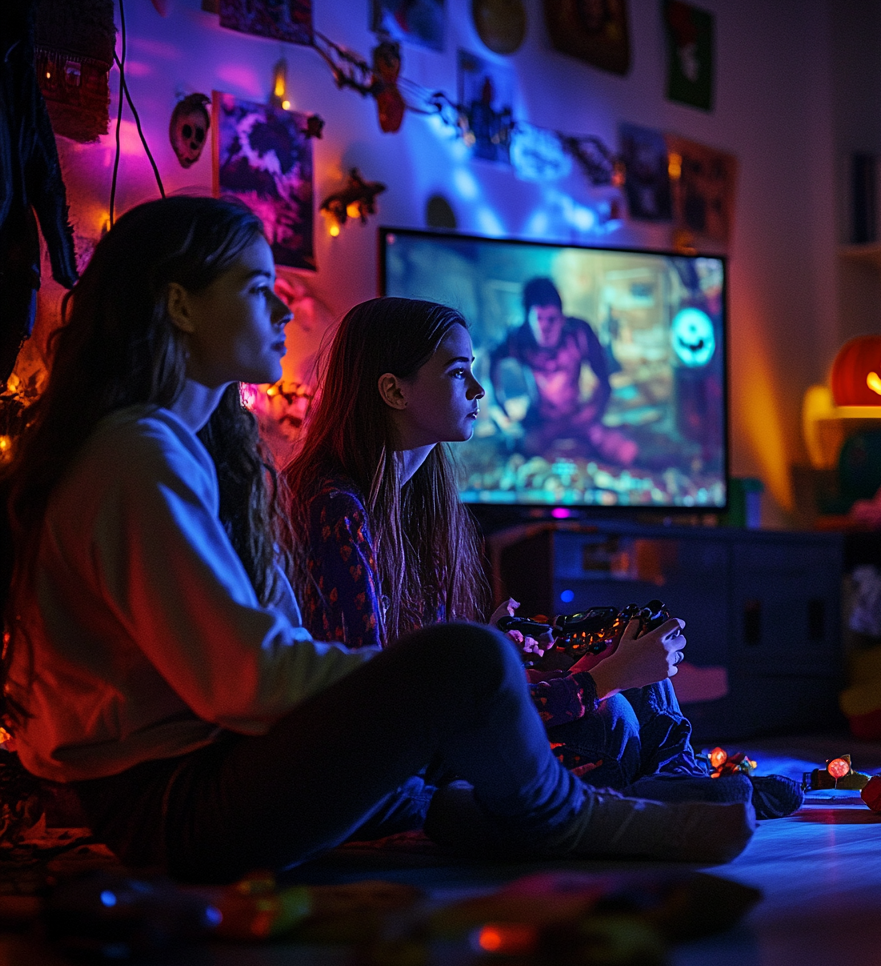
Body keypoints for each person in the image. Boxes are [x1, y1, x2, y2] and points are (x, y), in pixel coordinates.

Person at [0, 197, 755, 882]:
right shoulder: (139, 453)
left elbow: (263, 656)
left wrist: (434, 696)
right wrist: (430, 689)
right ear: (180, 306)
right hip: (173, 804)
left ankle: (491, 810)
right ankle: (574, 818)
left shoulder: (191, 449)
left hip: (209, 773)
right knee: (470, 661)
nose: (283, 312)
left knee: (481, 677)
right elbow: (247, 679)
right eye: (257, 290)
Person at [287, 296, 802, 824]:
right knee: (611, 715)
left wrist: (494, 643)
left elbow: (421, 658)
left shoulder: (420, 499)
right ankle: (652, 794)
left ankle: (676, 778)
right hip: (403, 760)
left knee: (632, 639)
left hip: (437, 729)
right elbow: (385, 708)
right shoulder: (335, 509)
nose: (478, 390)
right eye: (459, 372)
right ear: (394, 389)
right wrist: (598, 683)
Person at [488, 277, 638, 465]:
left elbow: (604, 380)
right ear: (528, 320)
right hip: (540, 421)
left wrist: (593, 412)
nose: (546, 327)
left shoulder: (579, 334)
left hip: (578, 416)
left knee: (626, 451)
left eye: (551, 319)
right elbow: (492, 360)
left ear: (562, 318)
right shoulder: (519, 338)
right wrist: (499, 407)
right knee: (521, 449)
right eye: (539, 319)